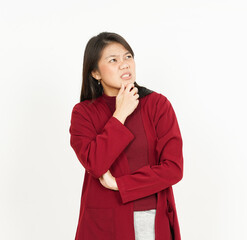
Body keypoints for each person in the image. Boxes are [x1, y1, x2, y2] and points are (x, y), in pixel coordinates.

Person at [69, 32, 183, 240]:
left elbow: (173, 169)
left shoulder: (157, 105)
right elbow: (95, 163)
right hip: (103, 224)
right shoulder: (83, 113)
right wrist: (120, 114)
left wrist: (121, 184)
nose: (124, 64)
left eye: (128, 56)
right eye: (113, 60)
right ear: (95, 73)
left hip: (150, 219)